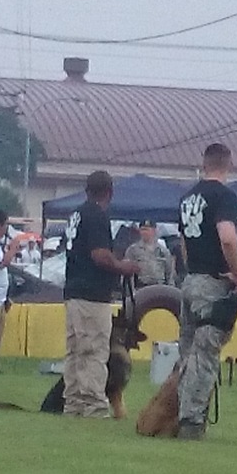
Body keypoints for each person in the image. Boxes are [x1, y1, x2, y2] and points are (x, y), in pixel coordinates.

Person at [177, 143, 237, 439]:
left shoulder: (188, 197)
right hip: (213, 283)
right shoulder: (224, 196)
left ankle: (175, 412)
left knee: (187, 354)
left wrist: (194, 268)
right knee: (205, 355)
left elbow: (183, 243)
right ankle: (191, 422)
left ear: (204, 164)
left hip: (190, 280)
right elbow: (228, 238)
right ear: (227, 164)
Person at [63, 171, 141, 418]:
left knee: (75, 350)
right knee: (94, 350)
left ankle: (73, 403)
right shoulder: (96, 215)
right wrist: (122, 266)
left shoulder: (77, 214)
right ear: (109, 192)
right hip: (92, 295)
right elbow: (99, 254)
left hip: (74, 291)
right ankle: (93, 405)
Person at [0, 211, 20, 373]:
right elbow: (3, 262)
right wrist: (13, 248)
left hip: (0, 299)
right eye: (5, 225)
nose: (6, 229)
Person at [124, 219, 175, 288]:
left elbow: (170, 273)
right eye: (142, 230)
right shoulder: (132, 250)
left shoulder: (163, 251)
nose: (144, 232)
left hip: (160, 287)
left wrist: (170, 290)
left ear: (154, 231)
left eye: (147, 230)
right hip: (141, 288)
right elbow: (127, 273)